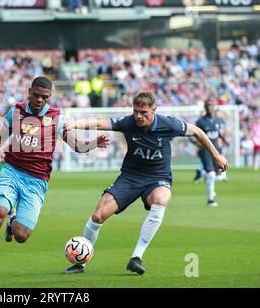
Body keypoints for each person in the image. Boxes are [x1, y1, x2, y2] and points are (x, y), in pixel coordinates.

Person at [63, 91, 228, 275]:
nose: (139, 116)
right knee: (98, 216)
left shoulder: (168, 124)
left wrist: (216, 155)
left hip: (158, 178)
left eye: (144, 112)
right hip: (130, 177)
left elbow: (197, 131)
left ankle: (136, 257)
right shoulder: (128, 122)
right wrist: (74, 124)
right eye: (136, 112)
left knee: (161, 198)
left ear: (154, 110)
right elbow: (99, 123)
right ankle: (80, 263)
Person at [0, 76, 109, 282]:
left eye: (44, 97)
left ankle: (13, 222)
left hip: (36, 181)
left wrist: (94, 143)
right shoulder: (16, 110)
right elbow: (2, 135)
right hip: (11, 171)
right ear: (29, 92)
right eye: (36, 95)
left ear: (50, 97)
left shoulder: (57, 118)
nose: (39, 100)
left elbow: (76, 146)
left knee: (21, 236)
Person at [191, 99, 229, 206]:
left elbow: (219, 134)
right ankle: (210, 199)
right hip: (205, 150)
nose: (209, 107)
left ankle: (201, 172)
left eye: (211, 105)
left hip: (217, 150)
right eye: (207, 105)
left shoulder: (218, 120)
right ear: (205, 107)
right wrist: (197, 146)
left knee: (219, 176)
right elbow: (194, 135)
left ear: (214, 106)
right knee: (211, 174)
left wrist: (225, 141)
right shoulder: (200, 121)